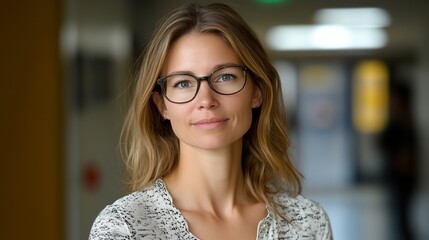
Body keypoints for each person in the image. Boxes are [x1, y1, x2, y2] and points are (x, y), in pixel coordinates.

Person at [89, 3, 332, 240]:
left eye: (225, 77)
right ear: (162, 105)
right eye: (183, 83)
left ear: (257, 92)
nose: (206, 100)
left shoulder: (307, 223)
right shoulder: (123, 227)